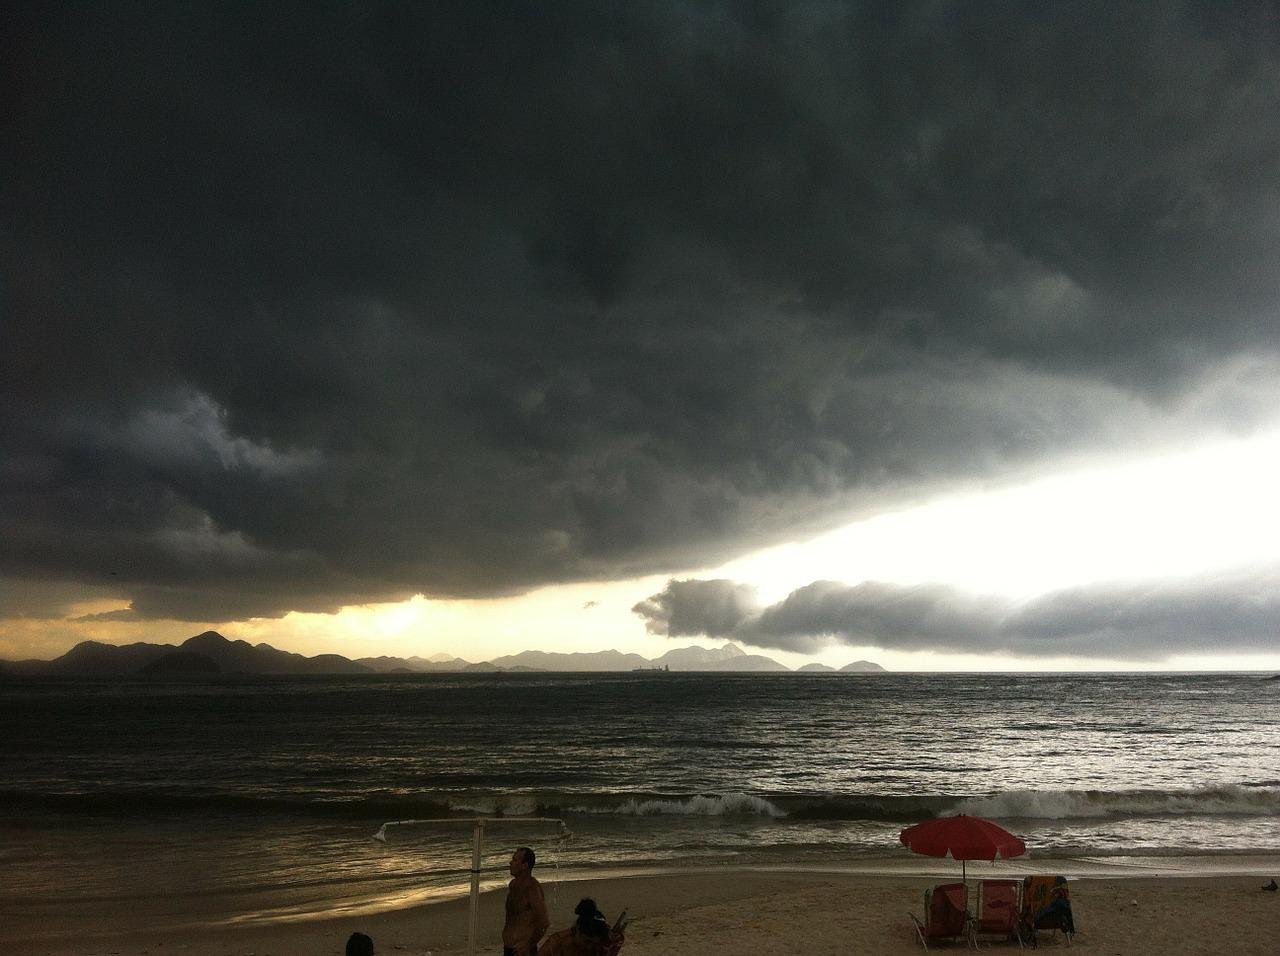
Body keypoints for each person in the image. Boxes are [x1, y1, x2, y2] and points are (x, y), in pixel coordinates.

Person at [502, 845, 549, 956]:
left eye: (515, 860)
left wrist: (528, 945)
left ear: (524, 866)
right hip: (509, 947)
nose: (510, 863)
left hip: (522, 950)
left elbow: (544, 922)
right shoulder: (513, 885)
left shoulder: (532, 888)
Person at [538, 899, 617, 956]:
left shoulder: (601, 945)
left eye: (594, 944)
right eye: (587, 942)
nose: (589, 947)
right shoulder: (556, 944)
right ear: (577, 930)